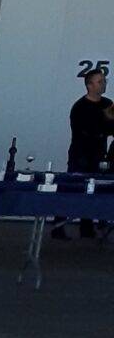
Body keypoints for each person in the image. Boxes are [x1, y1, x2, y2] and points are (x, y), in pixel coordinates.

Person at [64, 64, 111, 238]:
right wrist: (103, 128)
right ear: (89, 85)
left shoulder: (108, 104)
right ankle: (58, 224)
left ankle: (88, 226)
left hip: (99, 154)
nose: (103, 84)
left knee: (96, 188)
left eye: (104, 81)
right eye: (99, 81)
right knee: (73, 188)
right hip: (81, 154)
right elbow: (85, 130)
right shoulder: (80, 107)